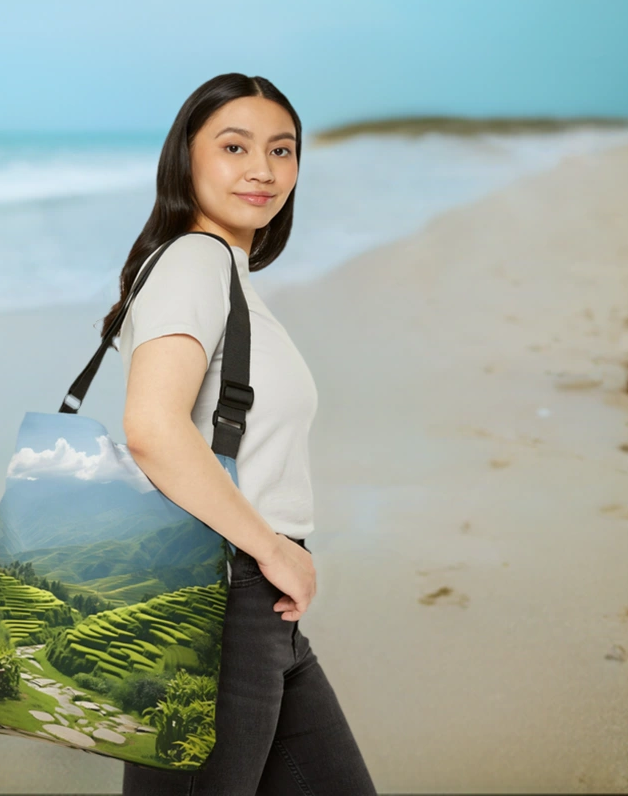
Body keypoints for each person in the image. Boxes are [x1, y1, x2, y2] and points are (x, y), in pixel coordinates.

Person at [102, 73, 377, 794]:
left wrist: (275, 560)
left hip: (259, 608)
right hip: (219, 595)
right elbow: (152, 429)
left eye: (282, 151)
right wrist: (273, 548)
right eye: (234, 146)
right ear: (185, 160)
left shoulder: (227, 272)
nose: (263, 169)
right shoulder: (194, 261)